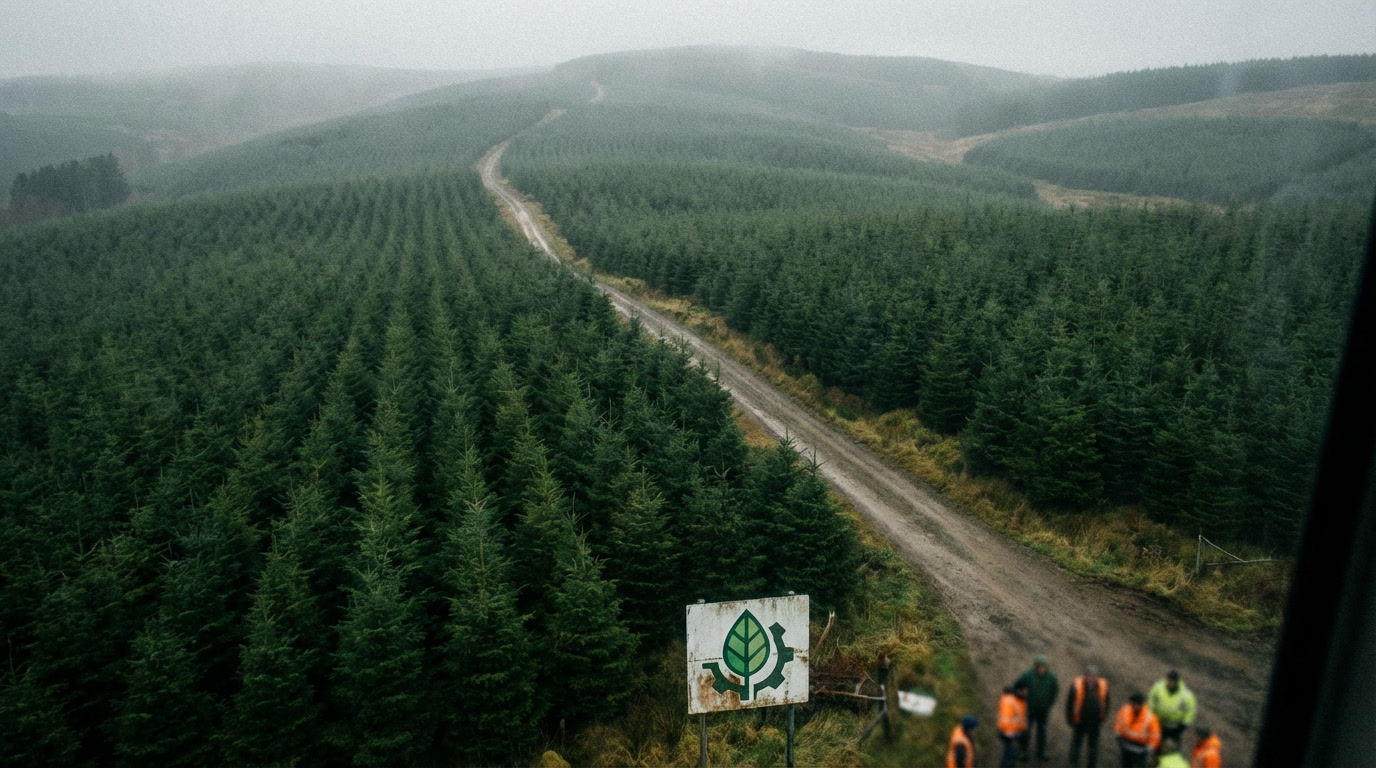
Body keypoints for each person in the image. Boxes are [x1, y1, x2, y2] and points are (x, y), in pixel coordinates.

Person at [1016, 654, 1059, 762]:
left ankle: (1041, 753)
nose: (1042, 669)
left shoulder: (1051, 677)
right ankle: (1023, 752)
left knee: (1042, 732)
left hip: (1043, 711)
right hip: (1029, 709)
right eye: (1040, 666)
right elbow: (1018, 686)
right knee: (1025, 731)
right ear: (1036, 666)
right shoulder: (1027, 675)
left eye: (1044, 666)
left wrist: (1049, 704)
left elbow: (1054, 691)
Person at [1065, 665, 1110, 767]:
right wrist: (1069, 719)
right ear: (1085, 676)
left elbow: (1107, 703)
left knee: (1093, 746)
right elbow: (1069, 703)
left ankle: (1091, 764)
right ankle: (1073, 762)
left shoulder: (1103, 687)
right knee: (1076, 743)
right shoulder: (1076, 686)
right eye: (1089, 676)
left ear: (1097, 677)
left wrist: (1104, 717)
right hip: (1080, 720)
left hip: (1095, 722)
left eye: (1094, 676)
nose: (1092, 678)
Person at [1114, 692, 1162, 768]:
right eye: (1131, 704)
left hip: (1140, 750)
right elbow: (1119, 722)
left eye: (1134, 705)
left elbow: (1155, 734)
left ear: (1140, 705)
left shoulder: (1150, 717)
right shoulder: (1126, 710)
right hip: (1125, 746)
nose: (1131, 706)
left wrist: (1150, 748)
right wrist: (1118, 733)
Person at [1148, 670, 1197, 743]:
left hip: (1174, 727)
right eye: (1168, 679)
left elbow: (1191, 711)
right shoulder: (1158, 687)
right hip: (1157, 722)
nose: (1169, 682)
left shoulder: (1186, 694)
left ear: (1176, 681)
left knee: (1171, 747)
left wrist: (1183, 725)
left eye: (1172, 681)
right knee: (1155, 743)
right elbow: (1151, 699)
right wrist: (1150, 715)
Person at [998, 682, 1029, 768]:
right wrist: (1013, 736)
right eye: (1025, 691)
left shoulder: (1019, 699)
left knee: (1011, 756)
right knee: (1009, 756)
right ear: (1019, 691)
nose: (1027, 693)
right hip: (1010, 734)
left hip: (1015, 733)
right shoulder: (1010, 701)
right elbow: (1006, 721)